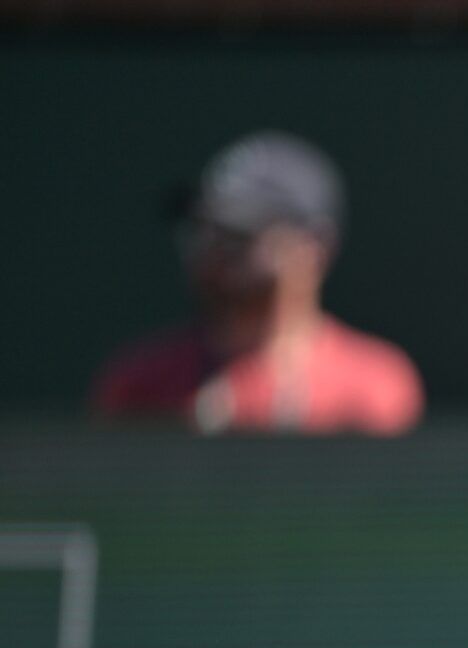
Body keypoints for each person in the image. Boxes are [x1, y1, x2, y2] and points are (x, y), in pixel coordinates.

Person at [89, 130, 423, 435]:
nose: (216, 247)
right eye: (207, 228)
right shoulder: (142, 384)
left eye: (241, 232)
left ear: (315, 246)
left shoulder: (370, 385)